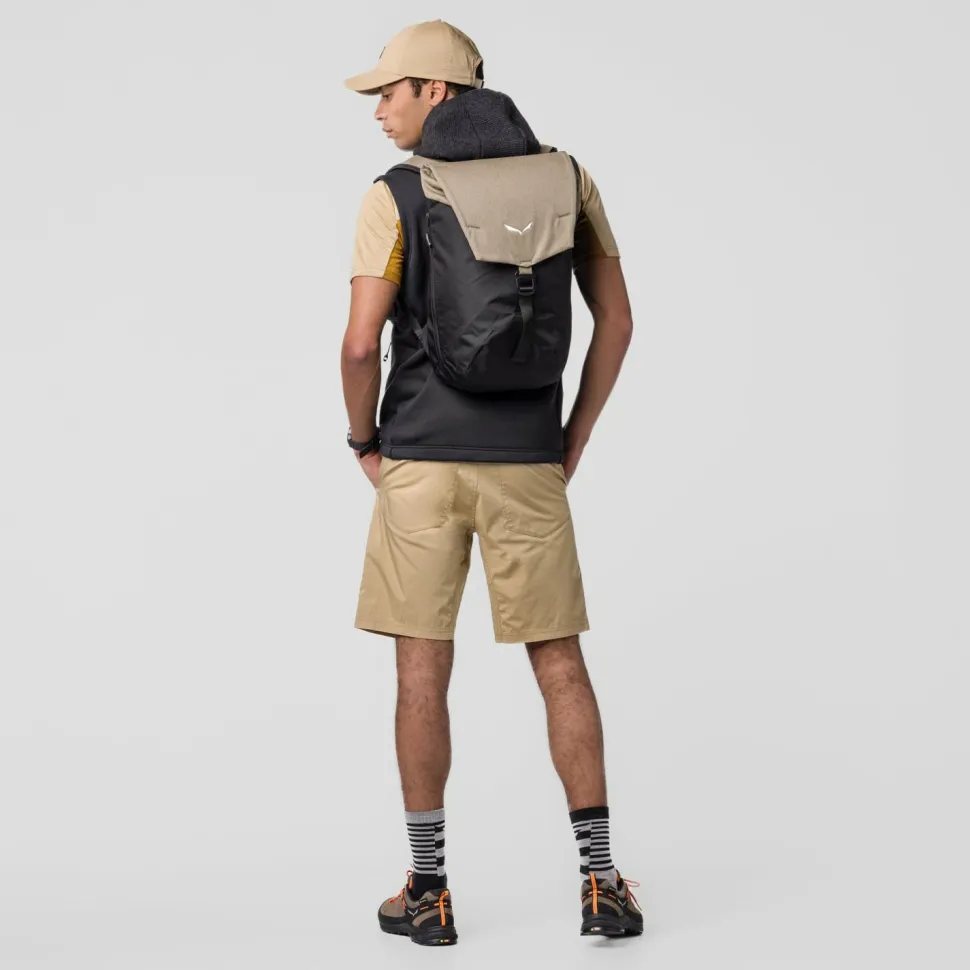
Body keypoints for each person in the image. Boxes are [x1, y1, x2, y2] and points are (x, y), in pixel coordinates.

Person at [341, 19, 641, 946]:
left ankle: (428, 892)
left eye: (390, 91)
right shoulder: (567, 179)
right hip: (527, 463)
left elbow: (358, 345)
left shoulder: (396, 193)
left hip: (420, 462)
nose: (379, 110)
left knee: (421, 669)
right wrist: (572, 435)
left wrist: (365, 443)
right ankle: (602, 884)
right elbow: (618, 321)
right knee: (560, 665)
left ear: (436, 90)